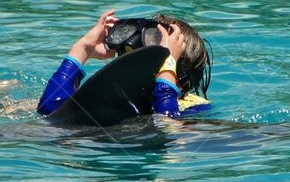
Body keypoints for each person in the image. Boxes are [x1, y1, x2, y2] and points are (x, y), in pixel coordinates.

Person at [37, 10, 212, 119]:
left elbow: (166, 127)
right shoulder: (111, 103)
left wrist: (167, 64)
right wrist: (83, 49)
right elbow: (50, 113)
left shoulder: (194, 110)